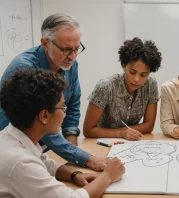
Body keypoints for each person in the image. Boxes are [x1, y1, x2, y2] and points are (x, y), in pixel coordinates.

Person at [0, 13, 108, 171]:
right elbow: (39, 122)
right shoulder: (24, 68)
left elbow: (73, 103)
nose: (72, 56)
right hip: (12, 151)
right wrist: (84, 158)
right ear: (45, 43)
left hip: (40, 148)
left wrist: (72, 140)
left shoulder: (70, 64)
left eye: (76, 49)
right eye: (66, 50)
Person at [0, 70, 125, 198]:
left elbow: (46, 164)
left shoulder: (14, 137)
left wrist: (74, 175)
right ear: (44, 116)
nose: (64, 114)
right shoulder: (20, 162)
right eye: (62, 107)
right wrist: (108, 176)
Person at [83, 37, 162, 140]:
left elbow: (149, 125)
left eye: (143, 75)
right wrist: (122, 133)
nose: (136, 79)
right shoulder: (105, 87)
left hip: (131, 143)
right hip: (102, 142)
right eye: (132, 72)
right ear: (123, 66)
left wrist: (127, 133)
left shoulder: (151, 84)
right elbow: (88, 130)